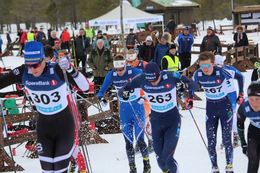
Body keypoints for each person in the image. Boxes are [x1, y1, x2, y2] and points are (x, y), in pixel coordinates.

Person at [0, 41, 89, 173]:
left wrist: (70, 68)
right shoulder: (23, 72)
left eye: (35, 65)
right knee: (47, 170)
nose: (32, 69)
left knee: (59, 169)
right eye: (29, 66)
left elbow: (85, 87)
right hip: (44, 127)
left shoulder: (57, 70)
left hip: (64, 126)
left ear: (43, 60)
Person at [118, 62, 196, 173]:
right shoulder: (142, 78)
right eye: (150, 81)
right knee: (160, 161)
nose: (153, 83)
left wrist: (184, 86)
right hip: (156, 121)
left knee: (168, 158)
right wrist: (124, 93)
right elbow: (123, 89)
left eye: (155, 80)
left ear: (159, 74)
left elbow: (193, 85)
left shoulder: (170, 76)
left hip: (172, 121)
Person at [191, 51, 244, 173]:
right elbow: (193, 86)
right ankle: (214, 167)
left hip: (225, 106)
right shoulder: (198, 74)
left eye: (207, 66)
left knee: (226, 139)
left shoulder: (222, 72)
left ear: (213, 64)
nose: (205, 69)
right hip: (211, 108)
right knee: (211, 140)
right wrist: (190, 97)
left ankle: (229, 166)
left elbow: (240, 76)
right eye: (202, 66)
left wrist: (241, 93)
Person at [97, 55, 151, 173]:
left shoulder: (134, 71)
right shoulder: (112, 74)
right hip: (124, 111)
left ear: (125, 65)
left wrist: (144, 96)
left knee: (140, 139)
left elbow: (149, 81)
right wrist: (102, 99)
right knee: (128, 141)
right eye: (117, 70)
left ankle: (146, 164)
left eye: (122, 69)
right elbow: (101, 91)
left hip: (137, 108)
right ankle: (132, 167)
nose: (120, 72)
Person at [215, 55, 244, 147]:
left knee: (231, 115)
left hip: (230, 94)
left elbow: (241, 77)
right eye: (216, 65)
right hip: (220, 95)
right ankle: (226, 138)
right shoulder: (212, 70)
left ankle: (236, 137)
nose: (218, 67)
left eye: (219, 65)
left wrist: (241, 93)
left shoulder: (229, 69)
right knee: (223, 116)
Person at [237, 81, 260, 173]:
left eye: (257, 99)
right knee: (253, 158)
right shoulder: (244, 106)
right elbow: (239, 123)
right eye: (251, 99)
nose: (254, 103)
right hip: (254, 130)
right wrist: (243, 143)